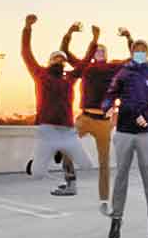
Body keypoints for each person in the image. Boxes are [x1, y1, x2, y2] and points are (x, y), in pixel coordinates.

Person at [58, 23, 139, 214]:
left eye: (102, 50)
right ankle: (70, 182)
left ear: (106, 54)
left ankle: (104, 202)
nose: (99, 52)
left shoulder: (114, 67)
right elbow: (64, 51)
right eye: (96, 50)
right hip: (85, 117)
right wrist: (69, 32)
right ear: (92, 53)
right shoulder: (84, 67)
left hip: (104, 122)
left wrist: (128, 37)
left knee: (104, 164)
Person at [101, 39, 148, 238]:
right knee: (121, 175)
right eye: (136, 50)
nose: (139, 53)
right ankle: (116, 219)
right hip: (124, 131)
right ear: (131, 52)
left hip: (145, 133)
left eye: (142, 51)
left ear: (147, 53)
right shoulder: (123, 73)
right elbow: (109, 94)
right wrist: (108, 107)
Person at [21, 14, 95, 193]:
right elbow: (26, 53)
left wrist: (94, 40)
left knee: (88, 166)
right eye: (56, 58)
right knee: (37, 174)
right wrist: (27, 27)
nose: (60, 61)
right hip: (47, 130)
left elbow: (85, 64)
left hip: (68, 131)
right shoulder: (40, 74)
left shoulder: (69, 77)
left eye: (62, 59)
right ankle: (39, 160)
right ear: (50, 61)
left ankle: (62, 159)